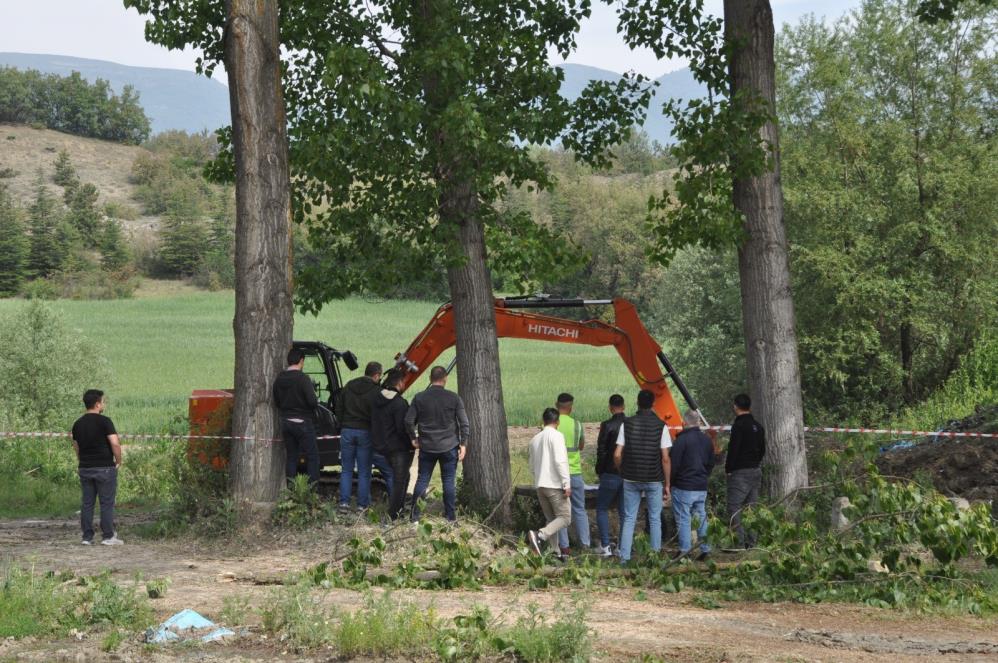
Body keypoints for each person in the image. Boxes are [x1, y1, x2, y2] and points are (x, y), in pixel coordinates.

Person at [405, 366, 469, 522]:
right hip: (449, 447)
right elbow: (464, 423)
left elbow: (408, 420)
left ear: (430, 379)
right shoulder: (454, 398)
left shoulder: (419, 398)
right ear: (445, 378)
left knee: (422, 480)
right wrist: (463, 444)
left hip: (427, 446)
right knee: (448, 481)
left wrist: (413, 438)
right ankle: (450, 518)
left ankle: (415, 518)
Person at [613, 389, 671, 563]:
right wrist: (667, 484)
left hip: (630, 478)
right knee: (654, 519)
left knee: (629, 518)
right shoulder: (661, 426)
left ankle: (624, 559)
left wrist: (621, 470)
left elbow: (617, 454)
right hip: (654, 479)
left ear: (637, 403)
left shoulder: (627, 424)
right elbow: (666, 458)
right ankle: (654, 558)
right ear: (653, 404)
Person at [71, 389, 123, 545]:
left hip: (85, 468)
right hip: (105, 468)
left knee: (87, 503)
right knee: (106, 503)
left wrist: (83, 460)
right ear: (97, 404)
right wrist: (118, 460)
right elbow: (114, 443)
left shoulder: (77, 424)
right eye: (103, 401)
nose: (104, 404)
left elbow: (76, 446)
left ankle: (87, 537)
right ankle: (108, 536)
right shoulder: (105, 421)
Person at [335, 361, 383, 511]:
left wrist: (342, 424)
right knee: (364, 471)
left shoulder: (349, 385)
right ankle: (362, 505)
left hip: (347, 431)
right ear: (376, 375)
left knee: (346, 469)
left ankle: (344, 503)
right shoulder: (376, 391)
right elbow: (377, 415)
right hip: (365, 432)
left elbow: (339, 407)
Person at [670, 409, 716, 560]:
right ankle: (706, 549)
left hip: (683, 486)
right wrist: (704, 476)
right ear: (698, 423)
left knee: (684, 518)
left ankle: (685, 551)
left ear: (683, 423)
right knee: (701, 517)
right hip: (701, 485)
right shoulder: (707, 440)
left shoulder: (681, 441)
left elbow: (674, 465)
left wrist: (670, 483)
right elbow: (711, 463)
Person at [526, 408, 572, 556]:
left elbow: (532, 466)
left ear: (543, 421)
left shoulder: (535, 439)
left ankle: (555, 551)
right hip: (554, 485)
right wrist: (566, 483)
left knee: (551, 518)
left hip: (540, 484)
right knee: (565, 518)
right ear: (557, 422)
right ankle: (539, 535)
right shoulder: (557, 436)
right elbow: (561, 461)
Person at [272, 347, 320, 487]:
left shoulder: (279, 379)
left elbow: (277, 401)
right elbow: (312, 402)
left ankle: (291, 489)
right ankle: (311, 490)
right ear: (301, 361)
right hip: (303, 422)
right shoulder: (303, 379)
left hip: (286, 422)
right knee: (312, 457)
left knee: (292, 456)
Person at [370, 369, 413, 520]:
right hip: (397, 448)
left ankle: (398, 510)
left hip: (379, 446)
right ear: (400, 383)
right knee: (400, 481)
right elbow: (402, 428)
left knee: (402, 477)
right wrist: (411, 442)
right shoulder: (399, 403)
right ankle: (394, 515)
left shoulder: (376, 399)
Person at [726, 393, 766, 548]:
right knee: (751, 508)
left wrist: (729, 468)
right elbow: (763, 449)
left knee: (734, 507)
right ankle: (752, 542)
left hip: (740, 472)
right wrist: (755, 462)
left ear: (735, 406)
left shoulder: (739, 426)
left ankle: (739, 542)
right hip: (756, 470)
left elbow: (733, 449)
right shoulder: (758, 426)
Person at [555, 393, 591, 556]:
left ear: (557, 405)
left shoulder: (552, 424)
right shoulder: (577, 424)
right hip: (575, 472)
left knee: (561, 511)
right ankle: (585, 544)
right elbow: (581, 445)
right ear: (570, 407)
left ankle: (564, 546)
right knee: (579, 509)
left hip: (558, 474)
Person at [594, 394, 626, 557]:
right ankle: (623, 546)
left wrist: (599, 470)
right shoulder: (630, 423)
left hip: (610, 472)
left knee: (601, 508)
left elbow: (601, 450)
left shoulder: (607, 425)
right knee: (624, 512)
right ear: (624, 406)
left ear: (610, 407)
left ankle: (606, 546)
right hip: (627, 474)